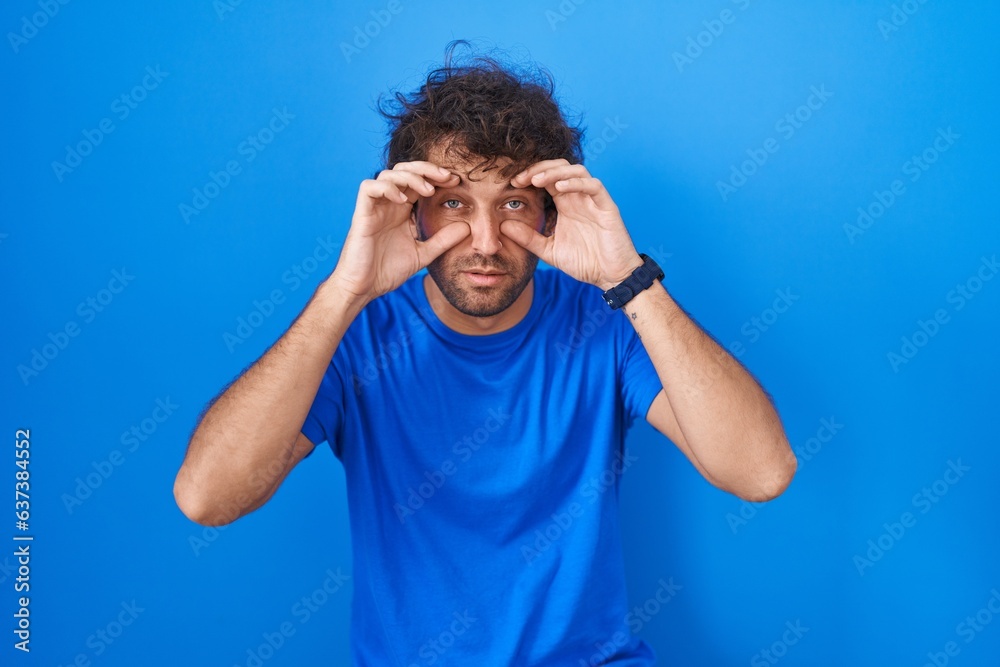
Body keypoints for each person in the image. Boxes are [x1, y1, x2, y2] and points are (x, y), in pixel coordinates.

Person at [173, 41, 797, 666]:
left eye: (513, 204)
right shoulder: (356, 338)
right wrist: (344, 293)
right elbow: (208, 498)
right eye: (454, 204)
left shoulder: (604, 323)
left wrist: (627, 277)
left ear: (549, 213)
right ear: (411, 213)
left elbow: (760, 473)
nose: (486, 241)